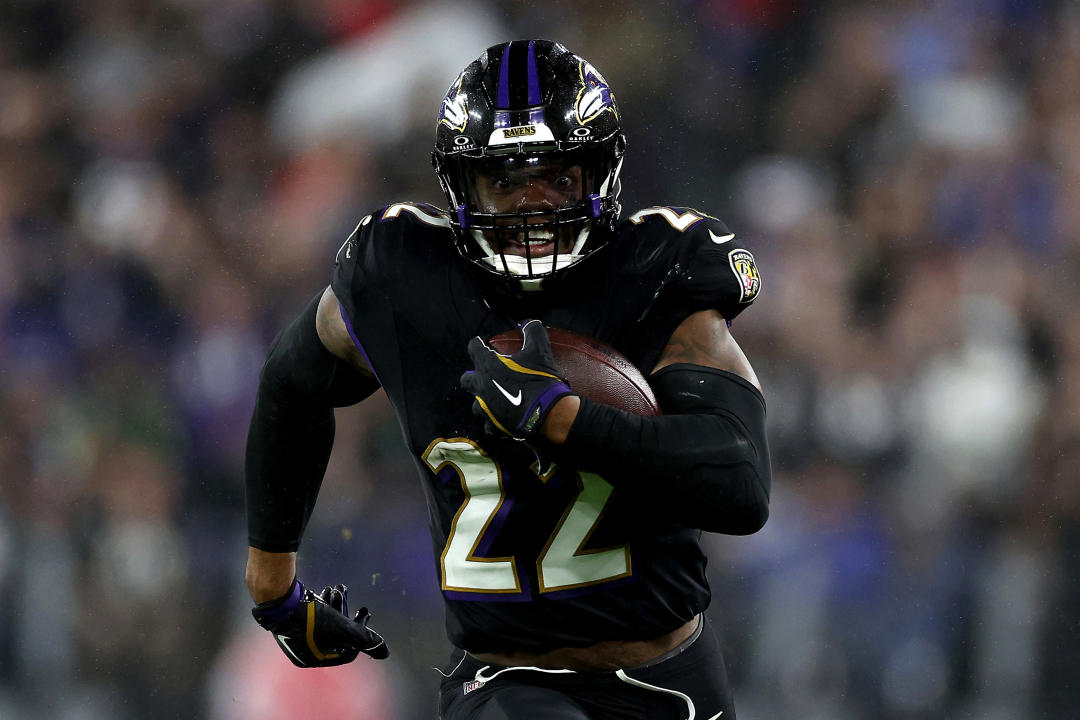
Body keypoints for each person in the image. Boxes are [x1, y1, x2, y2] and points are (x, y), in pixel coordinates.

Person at [244, 39, 771, 720]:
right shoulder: (403, 275)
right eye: (506, 181)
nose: (533, 207)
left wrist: (568, 422)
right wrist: (274, 588)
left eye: (558, 178)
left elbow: (741, 486)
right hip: (505, 679)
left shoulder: (659, 273)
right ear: (461, 187)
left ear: (599, 174)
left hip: (672, 675)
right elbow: (291, 383)